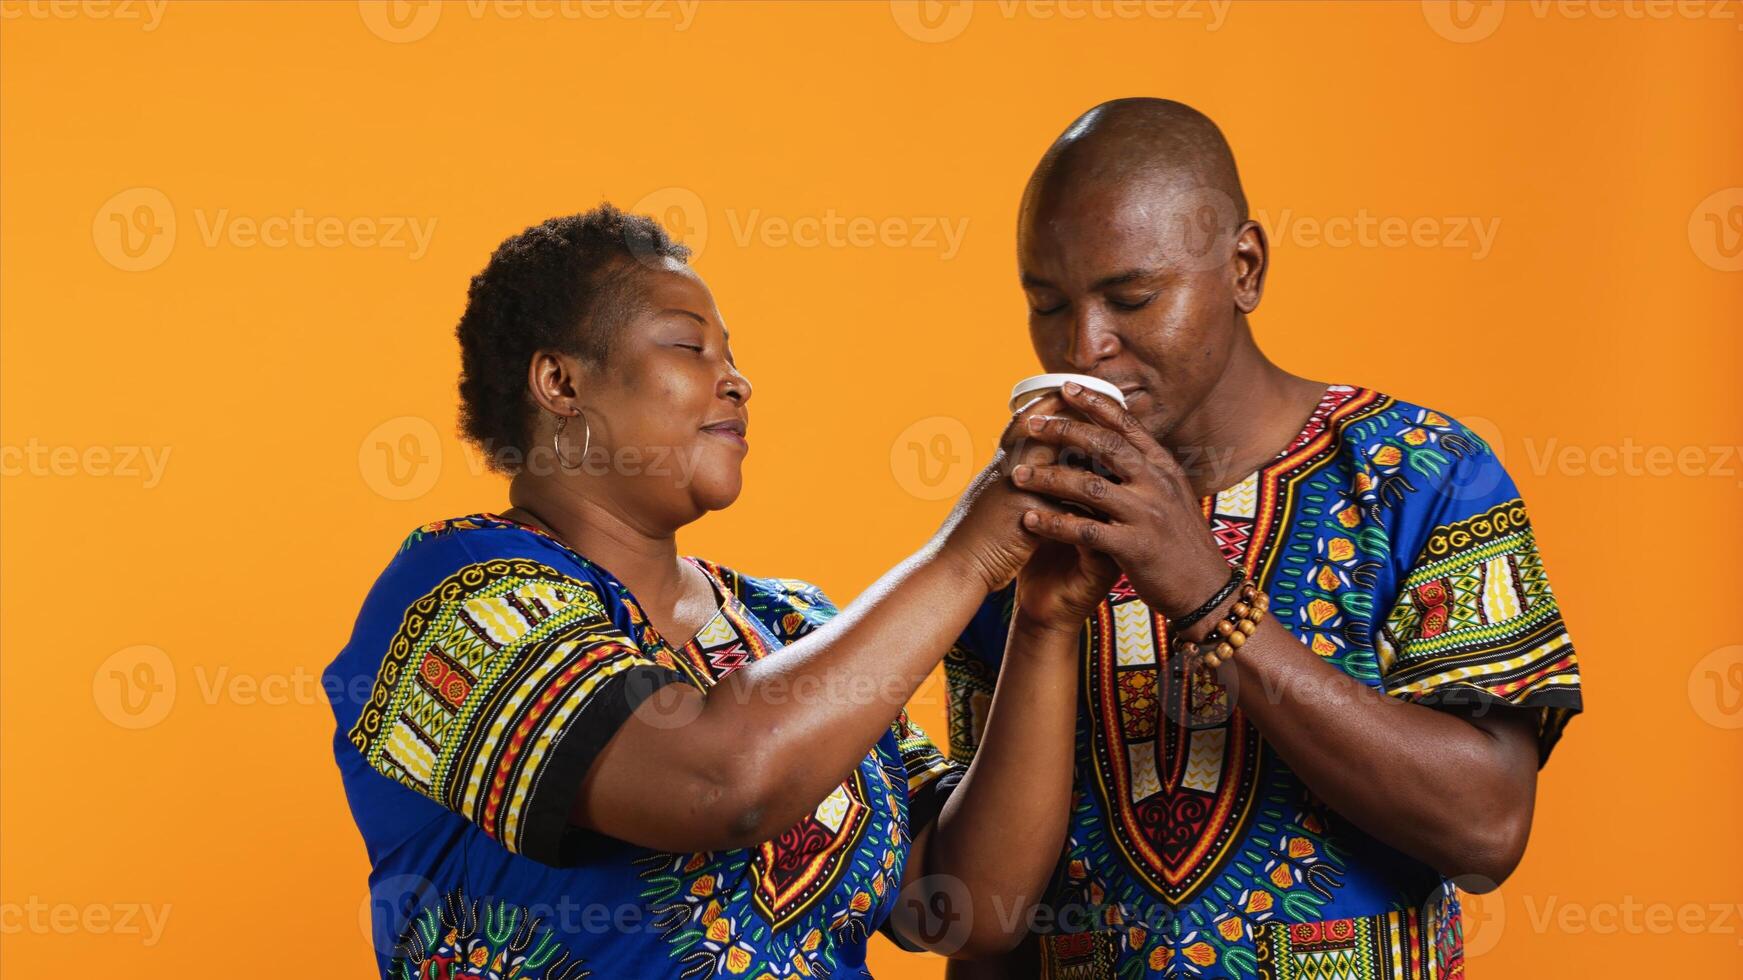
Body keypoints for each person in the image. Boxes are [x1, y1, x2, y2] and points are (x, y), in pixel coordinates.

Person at [325, 206, 1108, 978]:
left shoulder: (791, 624)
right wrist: (964, 557)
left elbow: (965, 904)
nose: (738, 382)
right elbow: (720, 783)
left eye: (730, 355)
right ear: (560, 382)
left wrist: (1044, 620)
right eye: (688, 347)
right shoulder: (451, 600)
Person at [944, 99, 1583, 979]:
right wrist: (1031, 613)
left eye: (1131, 297)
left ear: (1243, 268)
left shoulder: (1416, 474)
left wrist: (1210, 597)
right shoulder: (1019, 521)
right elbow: (980, 923)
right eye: (1046, 303)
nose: (1084, 346)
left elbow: (1485, 829)